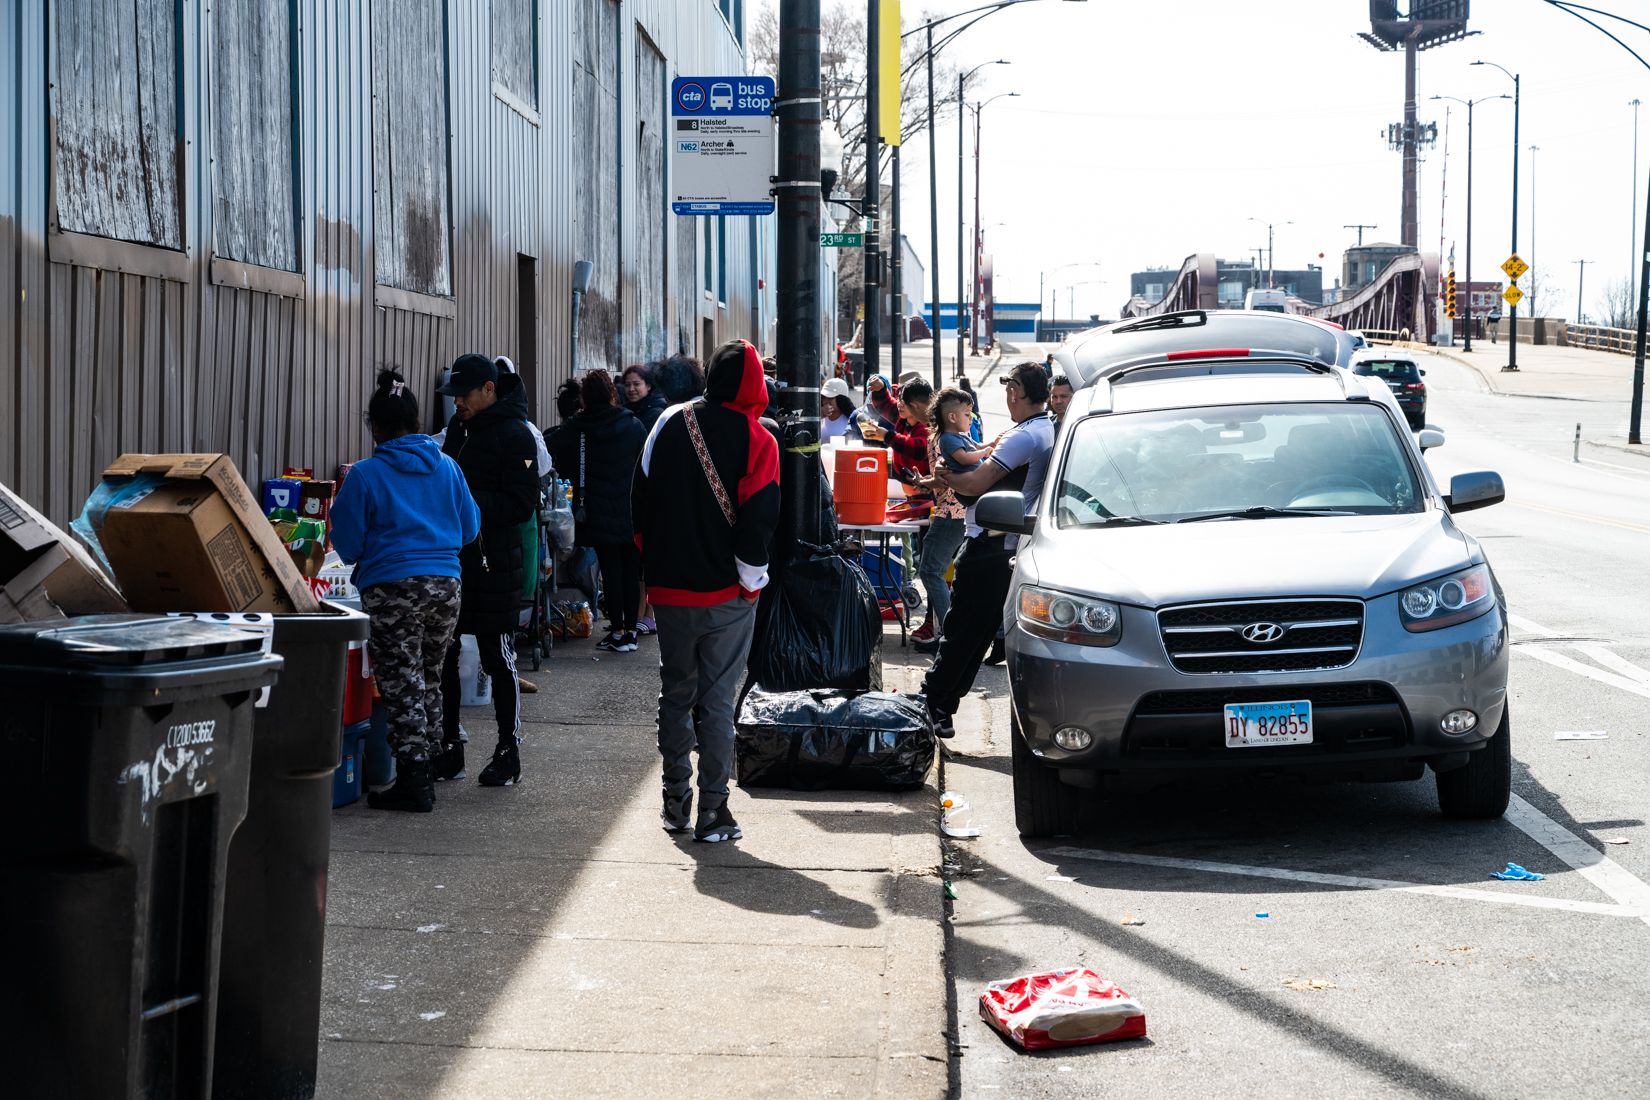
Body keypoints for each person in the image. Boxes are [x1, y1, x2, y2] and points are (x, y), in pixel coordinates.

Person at [633, 340, 780, 843]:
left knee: (674, 693)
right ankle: (713, 811)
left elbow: (640, 499)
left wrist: (652, 565)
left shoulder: (669, 421)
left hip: (670, 590)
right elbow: (758, 525)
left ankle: (674, 800)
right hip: (725, 593)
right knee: (716, 704)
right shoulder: (760, 439)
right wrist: (751, 583)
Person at [331, 370, 480, 812]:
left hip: (392, 588)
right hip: (446, 587)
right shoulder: (448, 467)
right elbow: (470, 528)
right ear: (415, 422)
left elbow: (349, 544)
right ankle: (430, 762)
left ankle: (413, 779)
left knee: (401, 684)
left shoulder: (365, 475)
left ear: (375, 425)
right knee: (429, 677)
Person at [921, 362, 1056, 736]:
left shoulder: (1024, 436)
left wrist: (949, 477)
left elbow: (975, 483)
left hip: (991, 544)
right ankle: (941, 708)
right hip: (1008, 544)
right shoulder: (1043, 430)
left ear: (1015, 391)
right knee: (975, 635)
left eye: (1009, 387)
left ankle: (931, 705)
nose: (1007, 394)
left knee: (961, 632)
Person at [434, 353, 541, 786]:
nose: (456, 401)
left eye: (464, 394)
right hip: (453, 562)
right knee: (445, 657)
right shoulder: (458, 430)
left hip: (496, 563)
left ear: (489, 390)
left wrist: (466, 500)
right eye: (454, 394)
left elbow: (520, 504)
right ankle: (450, 750)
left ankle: (508, 752)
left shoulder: (517, 435)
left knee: (499, 658)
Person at [547, 368, 646, 651]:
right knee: (631, 571)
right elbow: (647, 463)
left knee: (611, 572)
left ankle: (616, 633)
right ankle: (630, 632)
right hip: (631, 510)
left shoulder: (578, 425)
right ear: (612, 394)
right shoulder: (634, 424)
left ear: (585, 398)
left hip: (598, 512)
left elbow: (549, 447)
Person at [911, 386, 978, 653]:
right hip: (955, 511)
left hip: (950, 513)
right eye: (967, 413)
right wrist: (924, 482)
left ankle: (949, 633)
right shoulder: (953, 437)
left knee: (930, 571)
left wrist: (926, 482)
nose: (970, 419)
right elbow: (942, 476)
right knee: (938, 571)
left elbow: (944, 476)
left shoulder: (945, 439)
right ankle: (949, 631)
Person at [622, 363, 668, 432]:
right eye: (627, 385)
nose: (631, 389)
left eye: (636, 384)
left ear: (648, 386)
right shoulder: (624, 410)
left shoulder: (656, 413)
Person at [820, 377, 854, 443]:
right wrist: (818, 415)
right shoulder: (819, 415)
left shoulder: (851, 419)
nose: (826, 401)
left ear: (841, 399)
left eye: (830, 397)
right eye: (824, 397)